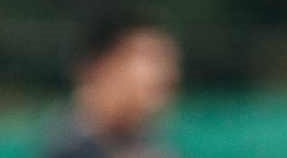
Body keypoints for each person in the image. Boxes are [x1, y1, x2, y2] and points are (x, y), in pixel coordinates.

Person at [42, 9, 182, 158]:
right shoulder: (67, 145)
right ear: (99, 65)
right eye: (150, 59)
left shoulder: (147, 143)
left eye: (168, 61)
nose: (165, 73)